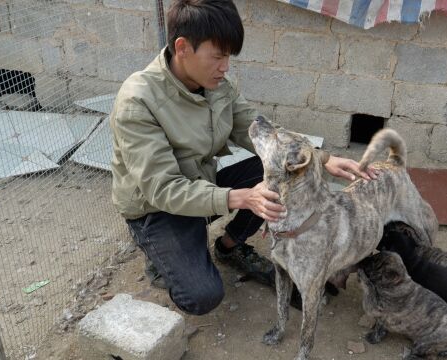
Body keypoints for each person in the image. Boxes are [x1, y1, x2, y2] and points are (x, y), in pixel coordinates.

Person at [109, 0, 377, 315]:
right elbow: (163, 189)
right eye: (218, 56)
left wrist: (318, 158)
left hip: (202, 185)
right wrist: (242, 197)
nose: (225, 67)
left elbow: (261, 132)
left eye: (229, 57)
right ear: (182, 47)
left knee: (287, 174)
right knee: (202, 296)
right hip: (156, 208)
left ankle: (229, 246)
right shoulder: (138, 101)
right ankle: (161, 257)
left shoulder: (217, 86)